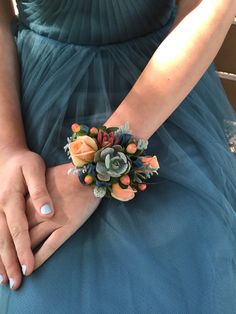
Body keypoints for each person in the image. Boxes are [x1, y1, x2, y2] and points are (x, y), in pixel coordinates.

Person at [0, 0, 236, 312]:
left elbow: (211, 7)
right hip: (25, 100)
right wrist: (7, 148)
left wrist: (95, 166)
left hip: (164, 93)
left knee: (191, 268)